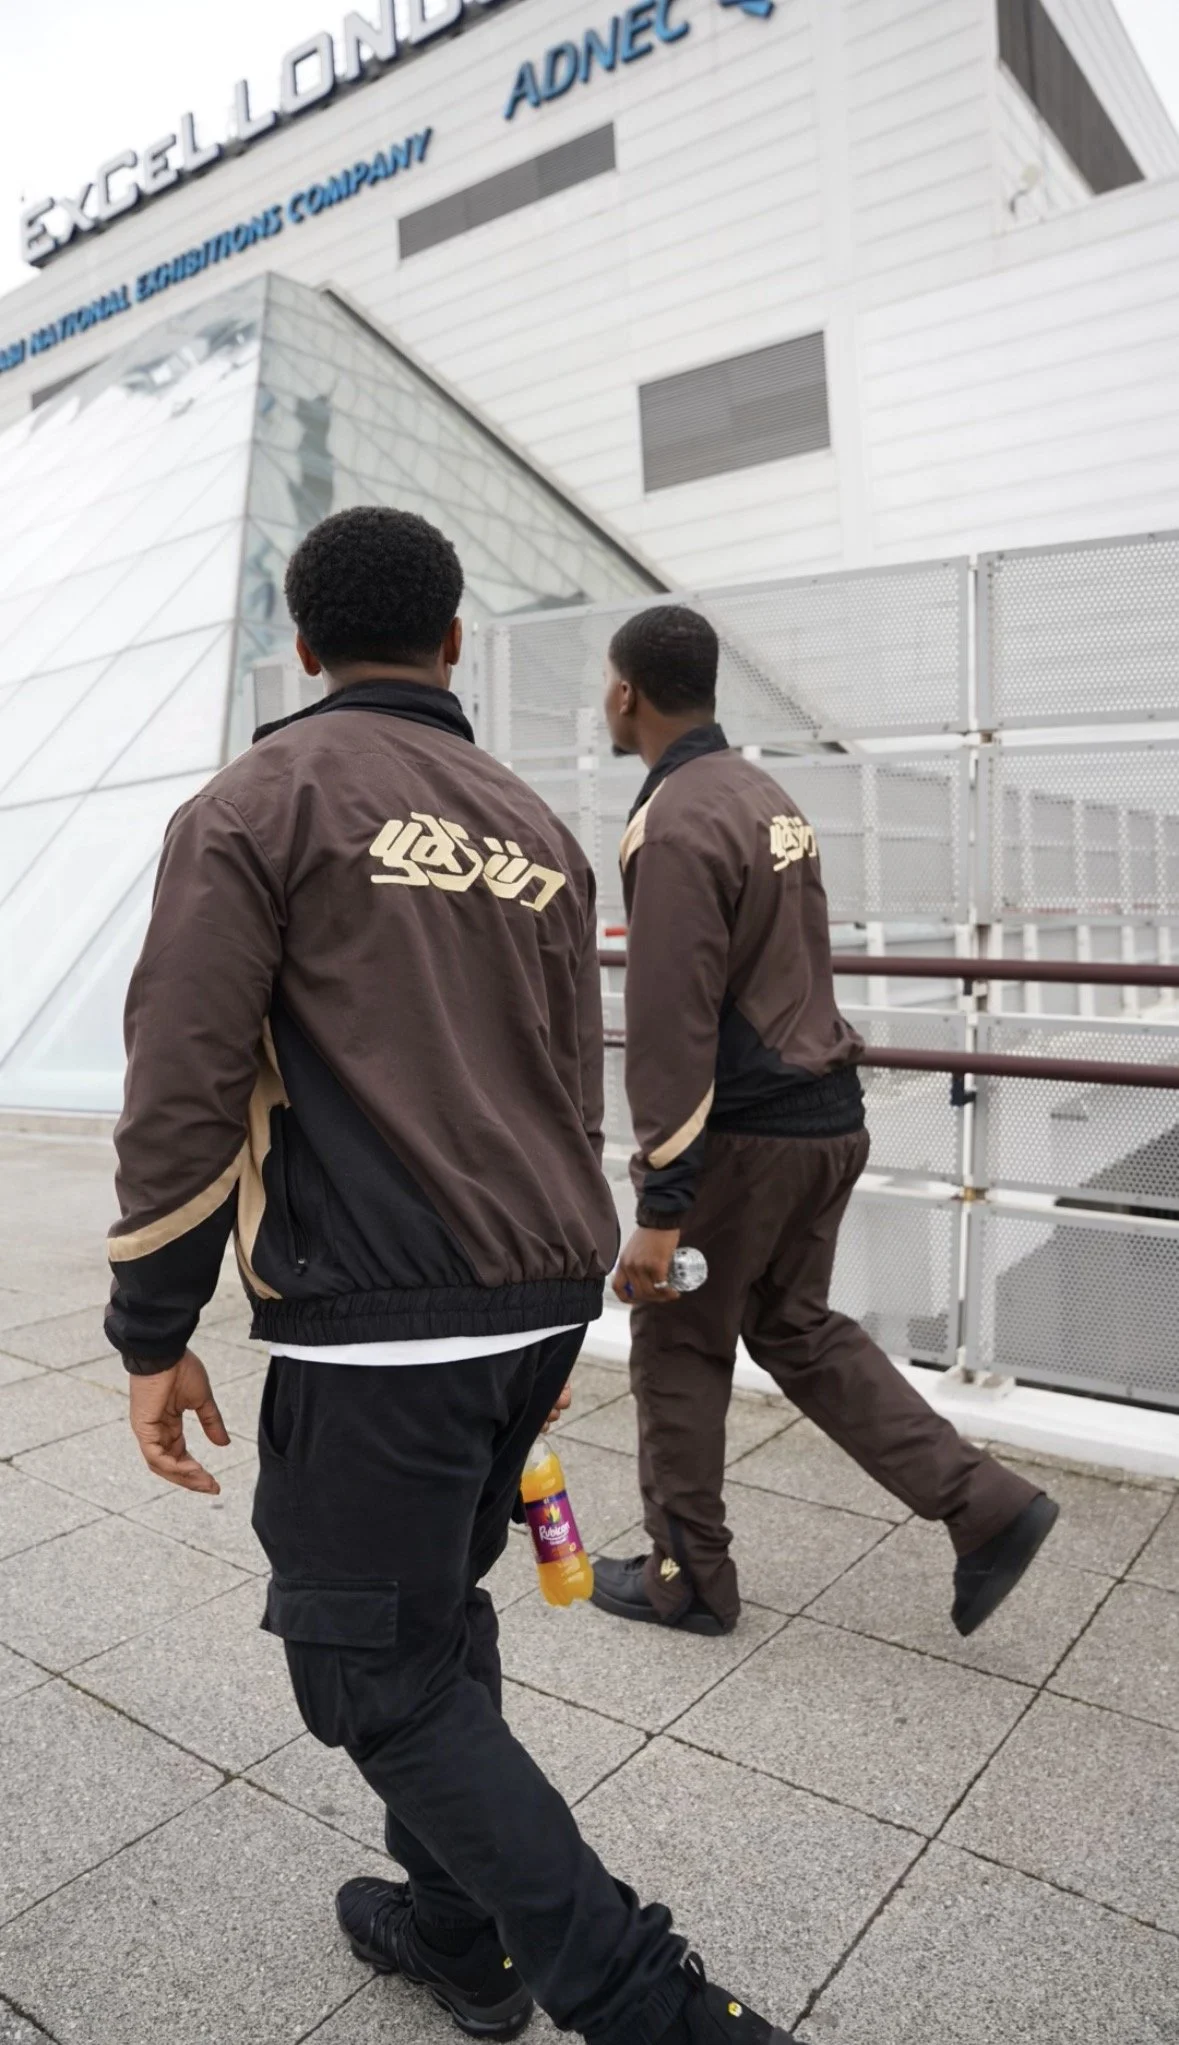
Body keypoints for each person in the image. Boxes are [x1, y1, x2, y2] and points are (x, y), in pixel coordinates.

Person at [106, 513, 797, 2045]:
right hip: (538, 1292)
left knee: (365, 1671)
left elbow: (184, 1077)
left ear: (299, 646)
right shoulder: (538, 829)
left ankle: (643, 2001)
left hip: (379, 1316)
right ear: (454, 641)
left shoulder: (255, 803)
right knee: (429, 1613)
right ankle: (456, 1935)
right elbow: (567, 1072)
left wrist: (152, 1327)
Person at [592, 604, 1058, 1640]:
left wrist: (661, 1203)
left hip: (746, 1138)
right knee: (796, 1327)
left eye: (607, 686)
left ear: (628, 692)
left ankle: (689, 1578)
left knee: (676, 1338)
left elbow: (670, 1019)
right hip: (826, 1117)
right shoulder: (766, 794)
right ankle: (985, 1505)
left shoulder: (673, 817)